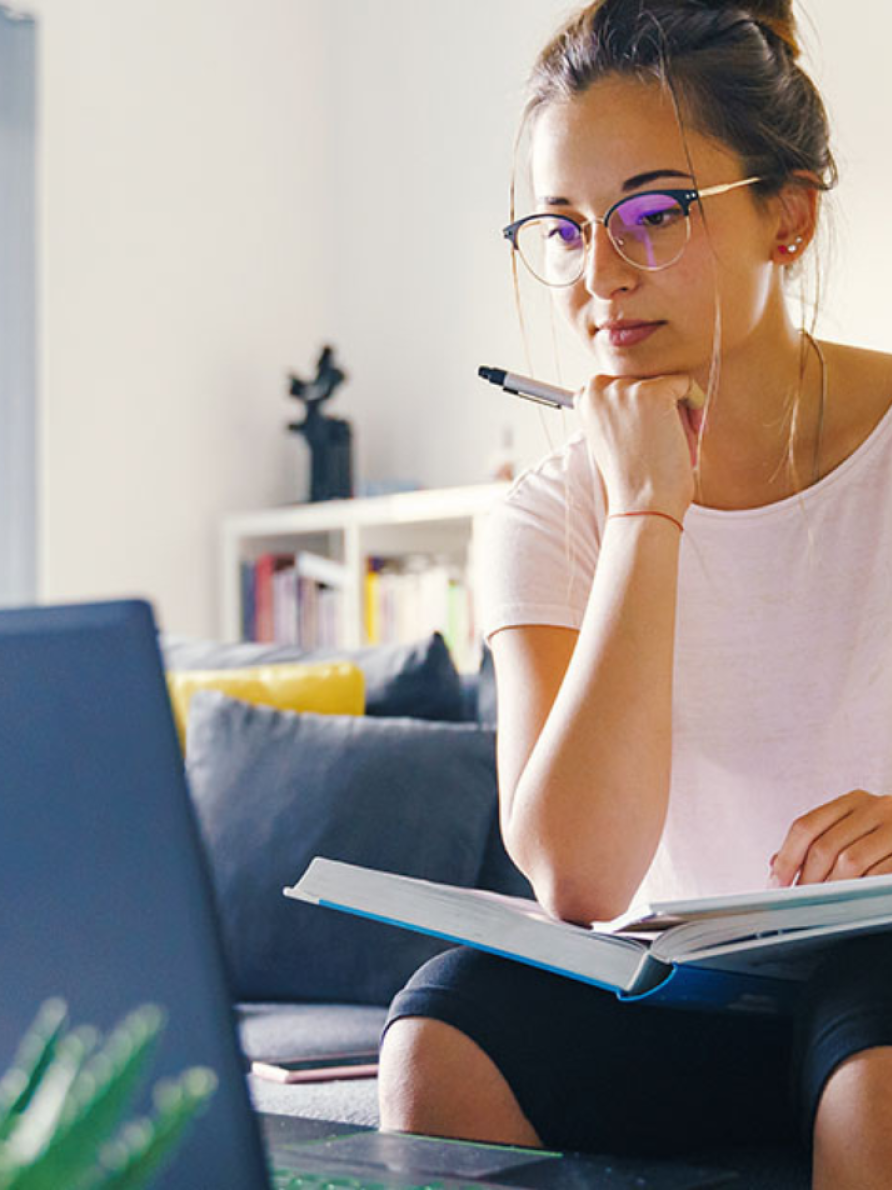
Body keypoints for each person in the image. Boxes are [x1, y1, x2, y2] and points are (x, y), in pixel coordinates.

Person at [378, 2, 892, 1186]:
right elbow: (582, 877)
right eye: (563, 228)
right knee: (441, 1027)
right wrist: (645, 510)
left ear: (790, 217)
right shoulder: (543, 513)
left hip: (882, 961)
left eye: (654, 214)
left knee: (876, 1054)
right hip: (679, 984)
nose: (599, 278)